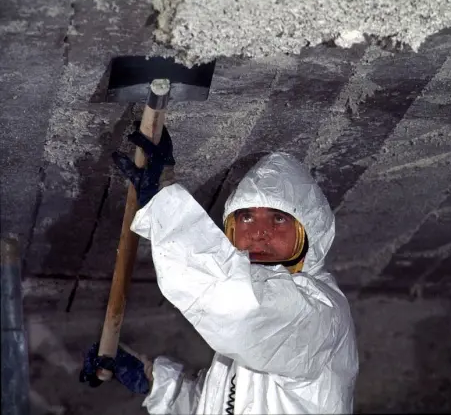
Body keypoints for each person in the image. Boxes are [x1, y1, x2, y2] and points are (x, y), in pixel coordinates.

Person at [80, 126, 359, 414]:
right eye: (247, 217)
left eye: (278, 219)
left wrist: (163, 203)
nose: (259, 233)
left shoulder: (318, 313)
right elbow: (222, 403)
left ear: (310, 232)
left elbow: (242, 308)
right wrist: (155, 383)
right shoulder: (260, 327)